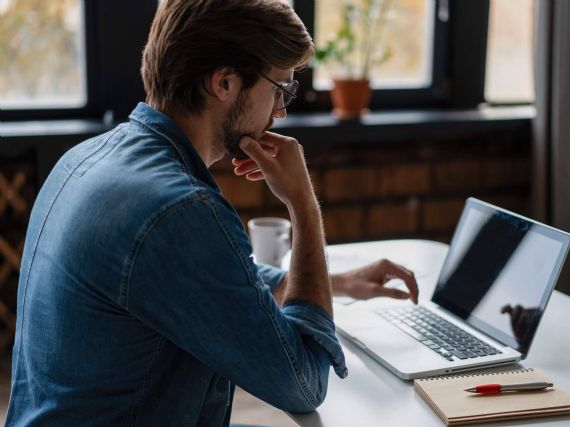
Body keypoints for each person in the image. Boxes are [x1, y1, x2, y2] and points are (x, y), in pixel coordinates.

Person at [6, 1, 418, 425]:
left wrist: (339, 283)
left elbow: (205, 280)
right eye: (279, 89)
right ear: (223, 82)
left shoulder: (84, 159)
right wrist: (302, 204)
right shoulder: (180, 209)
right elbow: (304, 383)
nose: (280, 112)